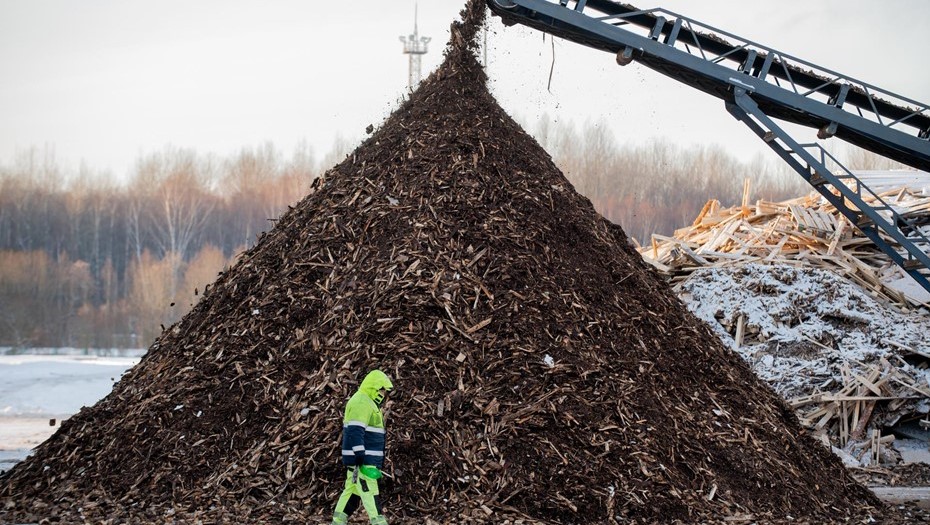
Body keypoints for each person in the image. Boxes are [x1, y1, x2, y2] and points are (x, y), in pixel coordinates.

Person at [331, 369, 394, 525]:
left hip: (361, 458)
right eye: (381, 390)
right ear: (374, 387)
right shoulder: (362, 402)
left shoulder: (366, 402)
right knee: (370, 491)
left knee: (352, 490)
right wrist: (359, 453)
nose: (383, 394)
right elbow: (355, 430)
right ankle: (378, 522)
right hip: (363, 459)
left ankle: (338, 521)